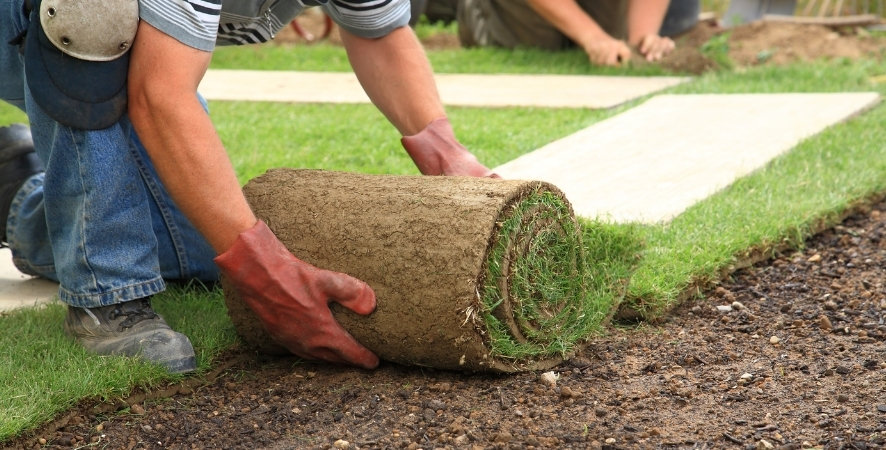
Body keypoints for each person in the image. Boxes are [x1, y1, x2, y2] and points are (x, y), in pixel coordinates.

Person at [0, 0, 496, 374]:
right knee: (95, 13)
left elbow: (380, 33)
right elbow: (160, 96)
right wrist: (261, 266)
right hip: (50, 21)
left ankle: (14, 190)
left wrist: (445, 151)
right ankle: (105, 295)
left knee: (198, 248)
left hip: (118, 50)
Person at [456, 0, 701, 66]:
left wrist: (640, 42)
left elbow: (636, 43)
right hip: (501, 16)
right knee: (540, 40)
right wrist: (592, 37)